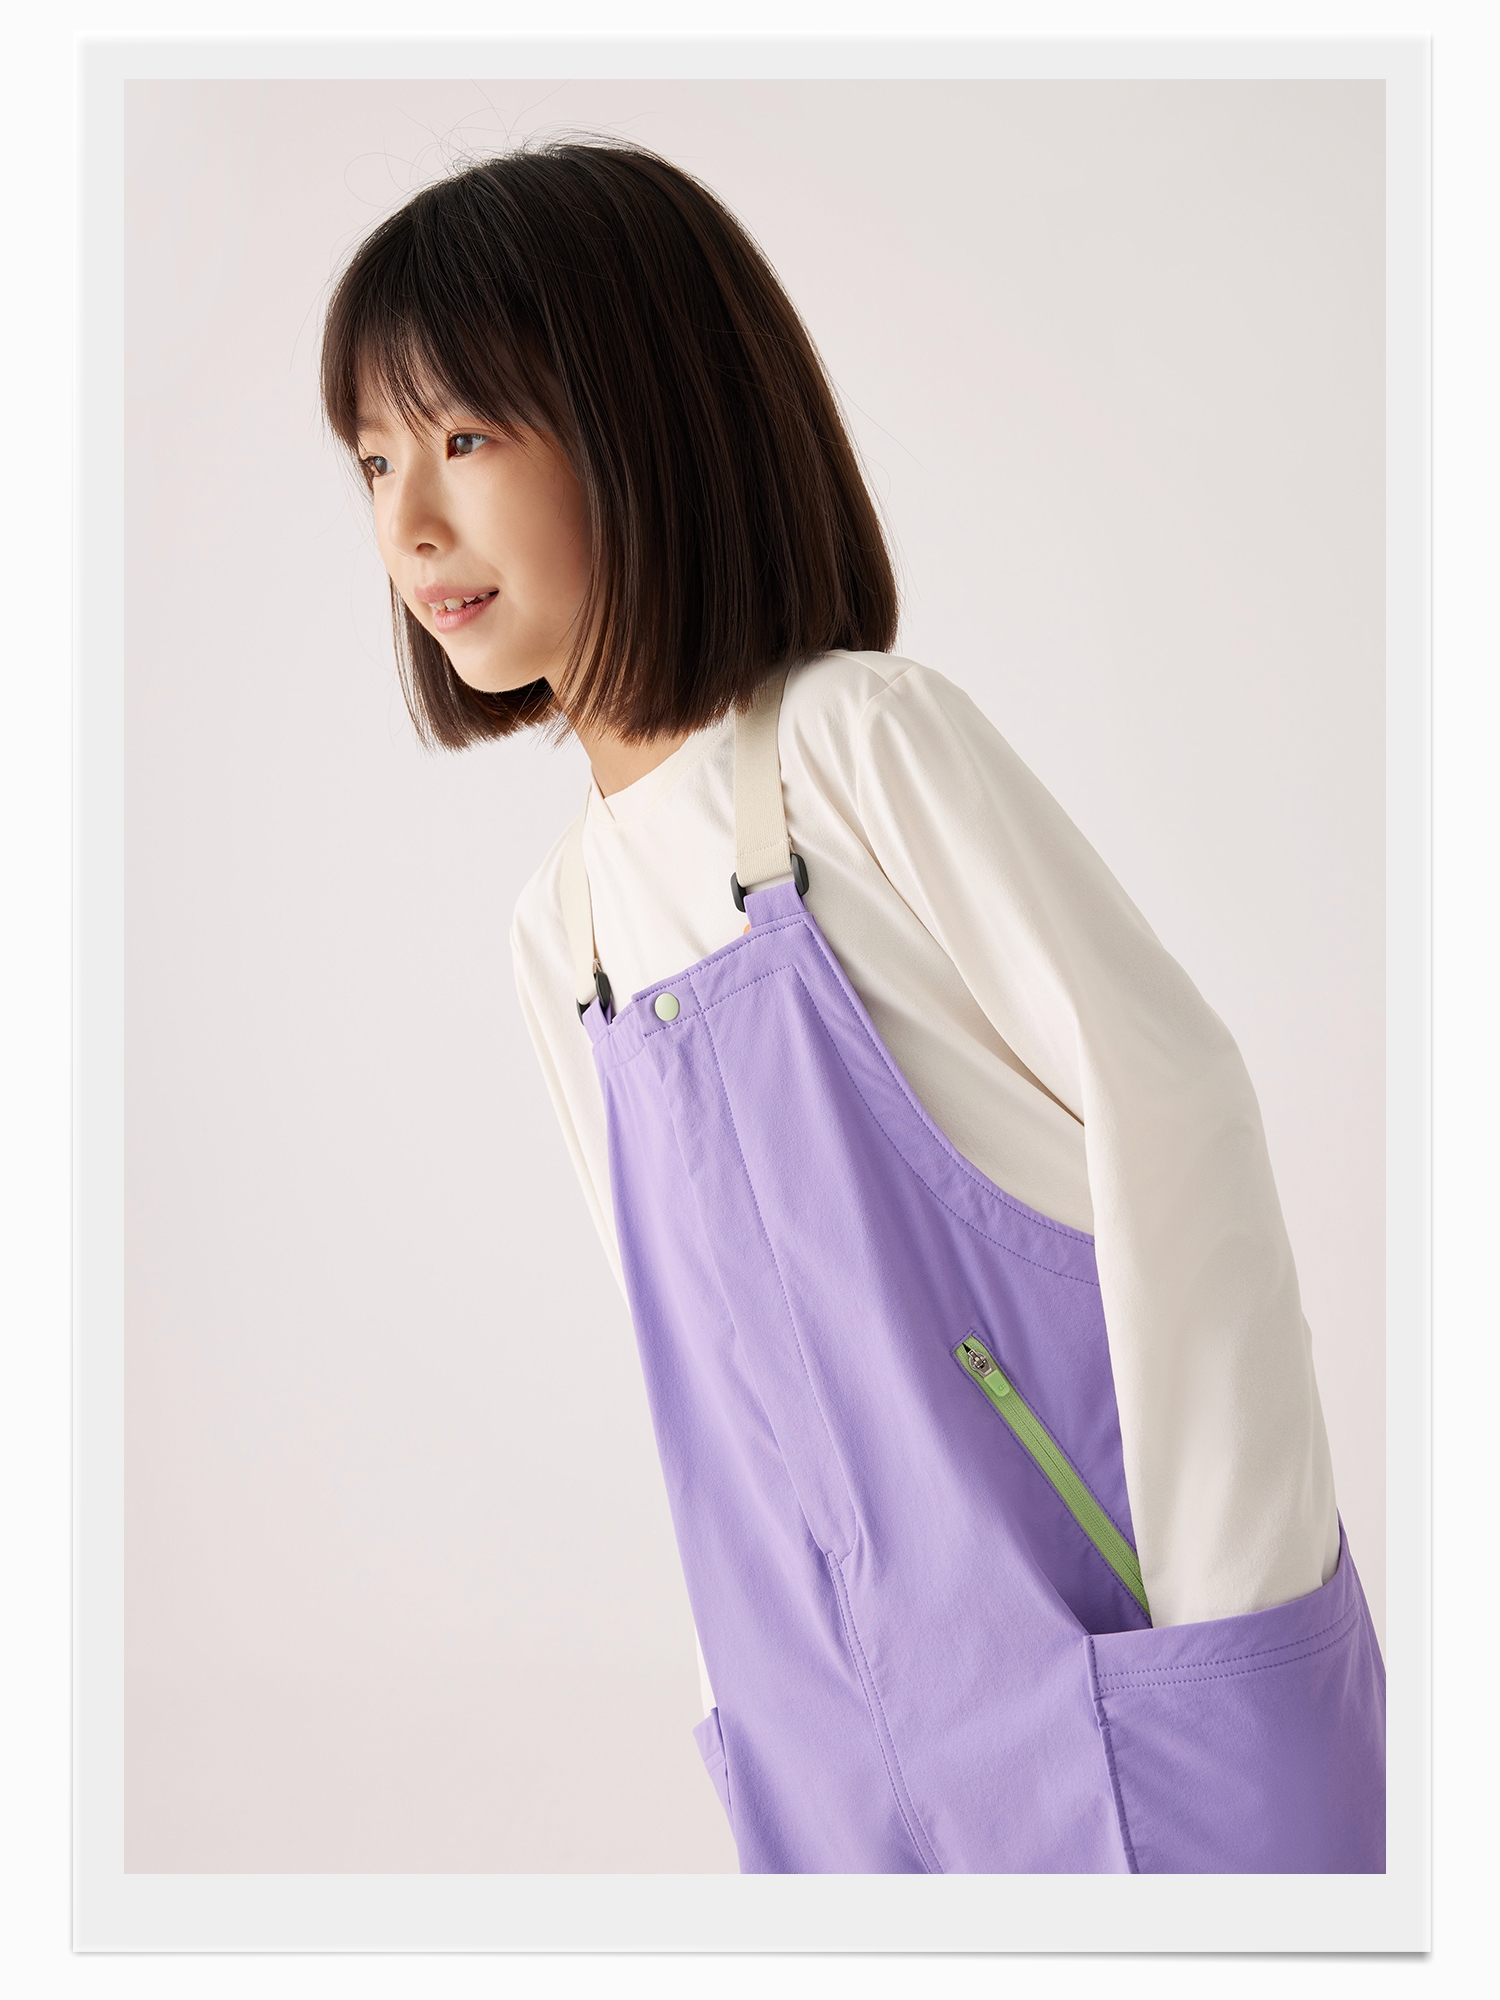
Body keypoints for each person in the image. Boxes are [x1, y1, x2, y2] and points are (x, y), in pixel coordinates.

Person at [319, 138, 1384, 1873]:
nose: (408, 521)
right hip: (830, 1762)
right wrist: (749, 1711)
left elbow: (1179, 1122)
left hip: (1118, 1674)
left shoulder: (856, 751)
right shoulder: (561, 932)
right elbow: (696, 1383)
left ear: (647, 417)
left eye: (466, 437)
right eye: (373, 459)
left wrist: (1226, 1625)